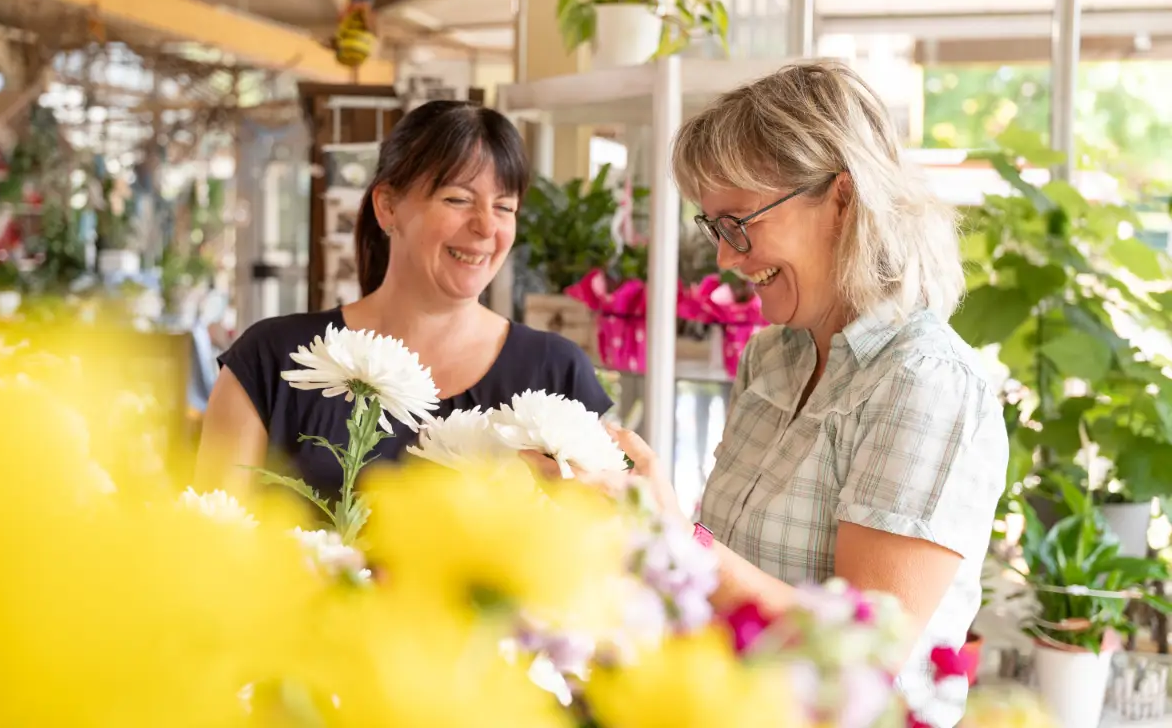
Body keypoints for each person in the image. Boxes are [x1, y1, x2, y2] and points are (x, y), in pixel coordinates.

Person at [535, 61, 1006, 727]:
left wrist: (668, 533)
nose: (727, 258)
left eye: (740, 223)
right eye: (715, 227)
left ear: (842, 197)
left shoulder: (922, 381)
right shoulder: (773, 356)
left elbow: (865, 657)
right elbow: (725, 580)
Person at [197, 100, 611, 501]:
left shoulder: (557, 374)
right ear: (387, 206)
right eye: (458, 199)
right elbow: (209, 543)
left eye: (504, 206)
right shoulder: (272, 361)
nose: (486, 226)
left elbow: (605, 542)